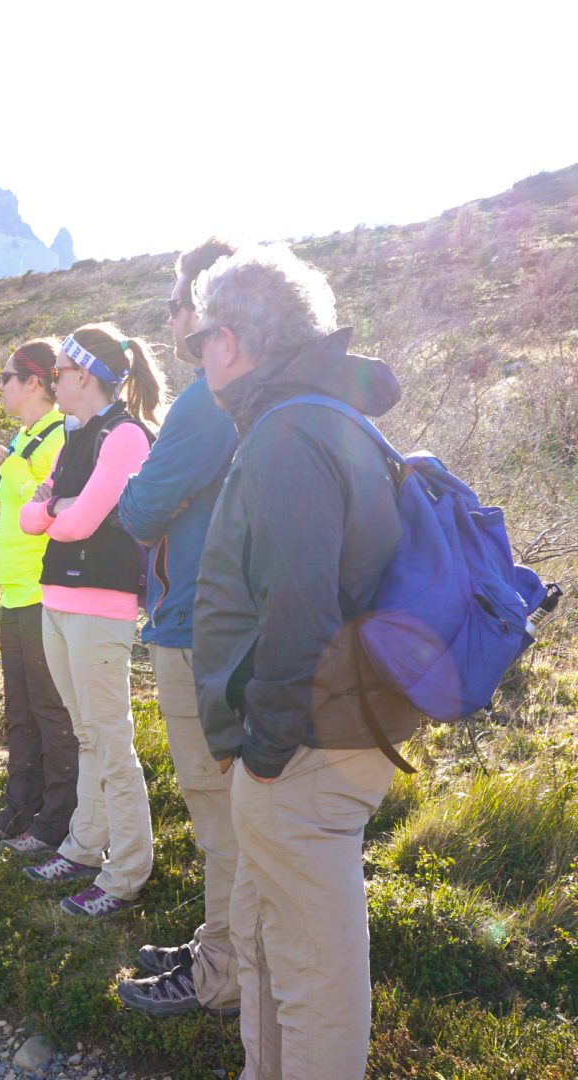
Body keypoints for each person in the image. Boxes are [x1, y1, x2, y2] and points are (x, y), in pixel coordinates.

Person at [190, 246, 418, 1078]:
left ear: (239, 337)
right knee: (270, 945)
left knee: (314, 972)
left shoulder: (289, 433)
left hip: (305, 744)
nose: (198, 353)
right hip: (323, 730)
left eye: (201, 336)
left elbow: (300, 606)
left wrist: (269, 744)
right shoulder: (314, 417)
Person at [114, 239, 241, 1017]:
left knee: (214, 803)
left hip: (194, 622)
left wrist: (145, 485)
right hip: (212, 617)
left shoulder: (203, 399)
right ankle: (220, 940)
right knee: (225, 803)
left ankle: (223, 971)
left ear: (201, 310)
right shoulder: (240, 393)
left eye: (174, 302)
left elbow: (138, 507)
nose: (167, 316)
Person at [18, 322, 164, 918]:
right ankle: (83, 846)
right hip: (58, 600)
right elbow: (36, 518)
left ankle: (126, 871)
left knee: (111, 740)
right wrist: (58, 506)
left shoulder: (125, 437)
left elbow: (77, 523)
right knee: (86, 735)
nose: (54, 381)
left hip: (100, 608)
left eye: (61, 372)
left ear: (85, 375)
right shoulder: (75, 435)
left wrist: (56, 510)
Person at [0, 338, 77, 856]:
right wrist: (7, 466)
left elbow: (46, 504)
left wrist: (10, 467)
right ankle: (20, 807)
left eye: (6, 377)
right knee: (20, 709)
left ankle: (57, 822)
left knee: (50, 709)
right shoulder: (23, 436)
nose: (0, 386)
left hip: (44, 592)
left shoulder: (60, 435)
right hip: (14, 594)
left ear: (33, 382)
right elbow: (16, 499)